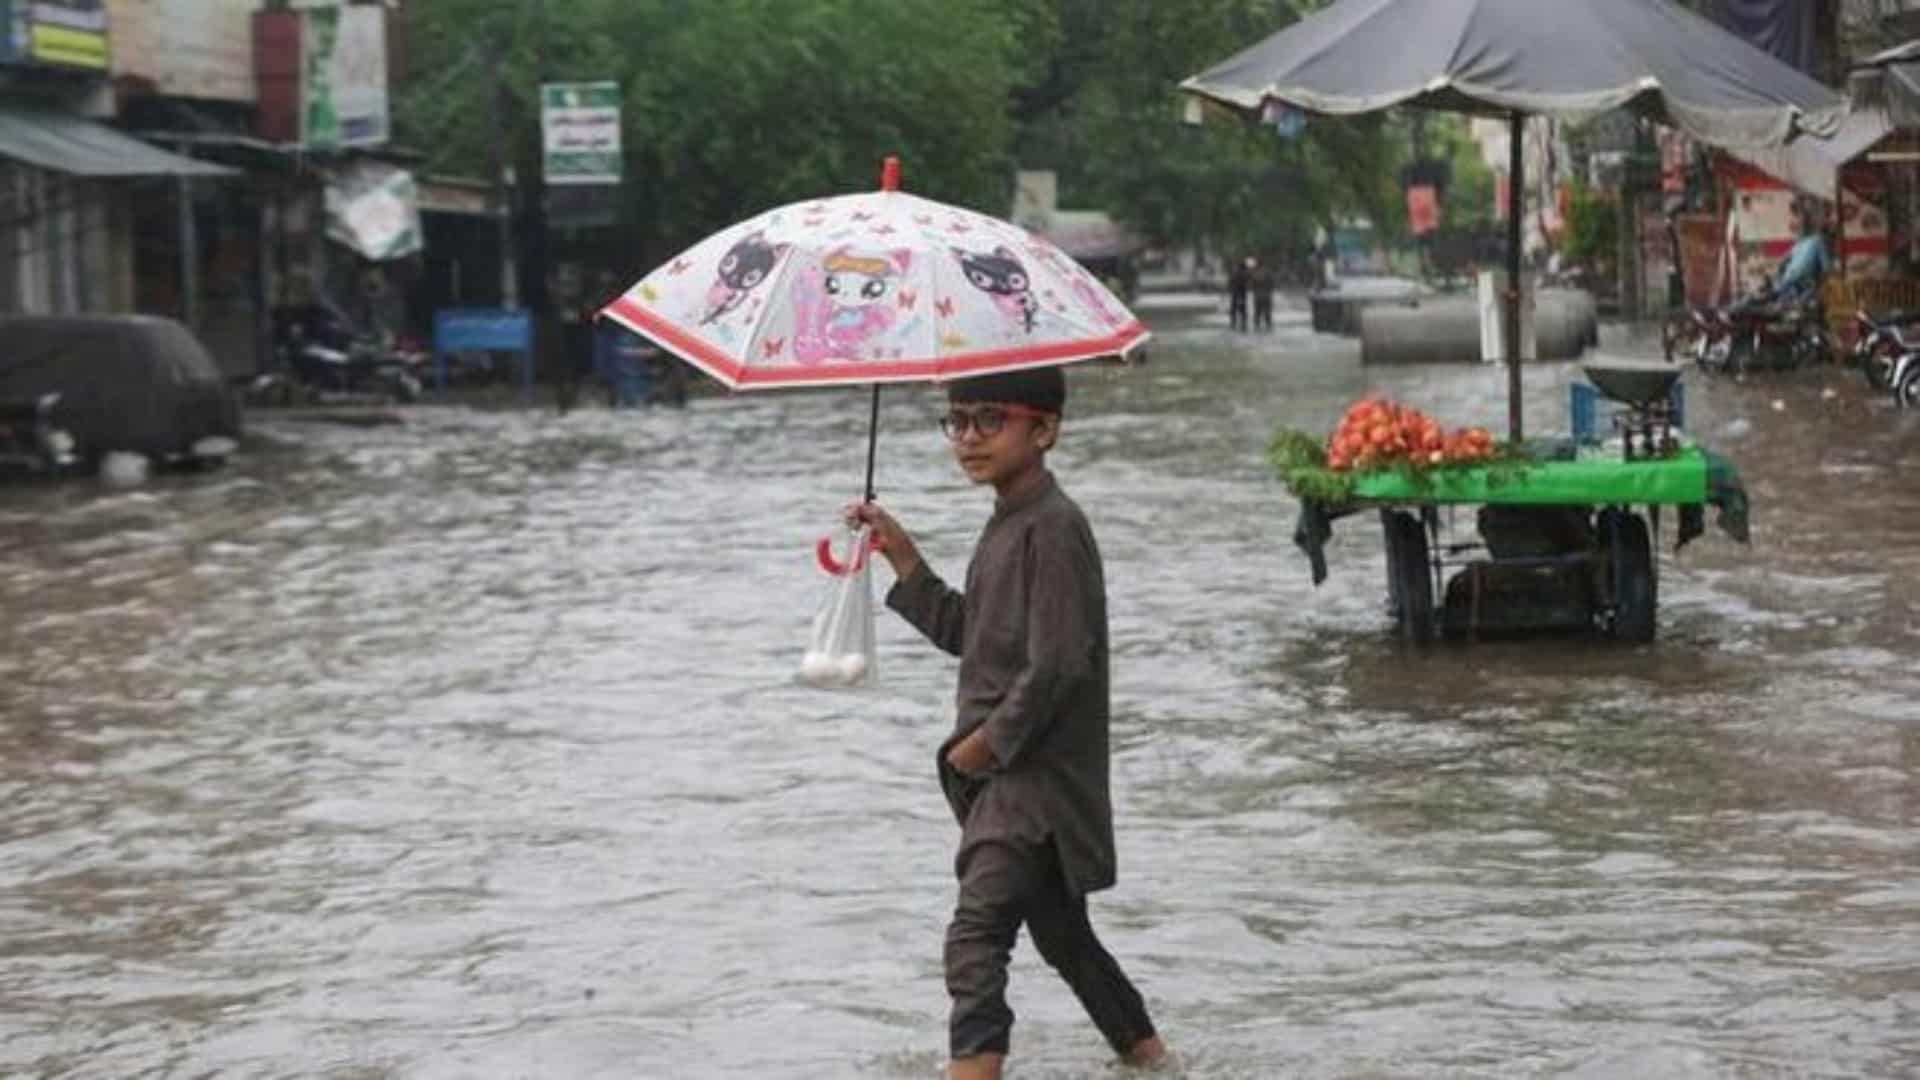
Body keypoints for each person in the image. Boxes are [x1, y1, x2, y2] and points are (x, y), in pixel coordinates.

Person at [850, 366, 1168, 1080]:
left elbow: (1058, 666)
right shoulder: (1009, 523)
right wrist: (902, 556)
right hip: (1018, 784)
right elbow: (979, 634)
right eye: (957, 422)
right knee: (1067, 943)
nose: (968, 438)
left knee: (975, 939)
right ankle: (1155, 1063)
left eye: (990, 420)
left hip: (1032, 789)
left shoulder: (1054, 527)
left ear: (1045, 429)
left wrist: (981, 750)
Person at [1250, 256, 1276, 331]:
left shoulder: (1254, 273)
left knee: (1257, 313)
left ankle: (1257, 327)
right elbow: (1272, 283)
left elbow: (1251, 285)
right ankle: (1268, 327)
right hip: (1266, 296)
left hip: (1258, 296)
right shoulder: (1268, 272)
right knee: (1267, 313)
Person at [1226, 255, 1252, 331]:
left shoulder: (1235, 273)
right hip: (1242, 293)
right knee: (1242, 309)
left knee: (1234, 309)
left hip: (1235, 293)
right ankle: (1243, 324)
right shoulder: (1245, 273)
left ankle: (1233, 323)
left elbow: (1229, 283)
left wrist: (1229, 289)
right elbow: (1250, 279)